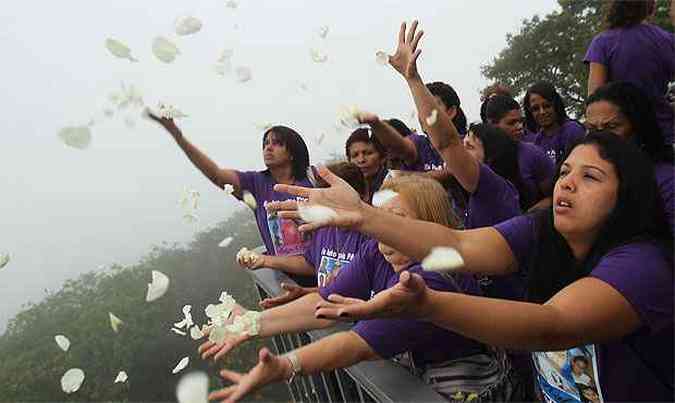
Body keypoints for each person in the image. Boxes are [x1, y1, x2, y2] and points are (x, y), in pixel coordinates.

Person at [272, 130, 672, 402]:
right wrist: (362, 217)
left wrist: (429, 306)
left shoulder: (642, 266)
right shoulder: (540, 229)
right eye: (565, 171)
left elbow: (555, 324)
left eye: (591, 177)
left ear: (627, 197)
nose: (566, 183)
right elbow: (458, 243)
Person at [207, 177, 510, 402]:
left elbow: (355, 344)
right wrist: (250, 322)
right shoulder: (376, 253)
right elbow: (326, 305)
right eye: (381, 220)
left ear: (430, 225)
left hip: (463, 387)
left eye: (398, 220)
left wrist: (287, 365)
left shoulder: (433, 277)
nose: (386, 231)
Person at [238, 161, 370, 308]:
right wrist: (265, 261)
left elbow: (360, 293)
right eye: (326, 199)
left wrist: (307, 293)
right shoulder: (324, 227)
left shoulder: (373, 237)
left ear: (363, 195)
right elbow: (311, 264)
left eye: (337, 200)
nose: (332, 206)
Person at [585, 81, 674, 234]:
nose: (600, 137)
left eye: (612, 127)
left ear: (638, 127)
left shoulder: (667, 183)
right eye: (592, 129)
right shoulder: (584, 177)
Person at [584, 0, 675, 144]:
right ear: (650, 5)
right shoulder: (668, 40)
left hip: (621, 139)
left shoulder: (602, 42)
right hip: (664, 134)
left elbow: (594, 98)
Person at [484, 94, 556, 209]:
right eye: (511, 123)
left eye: (521, 121)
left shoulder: (533, 153)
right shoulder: (481, 158)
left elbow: (556, 196)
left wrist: (530, 215)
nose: (519, 127)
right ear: (492, 124)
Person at [522, 81, 586, 164]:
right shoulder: (537, 141)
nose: (542, 112)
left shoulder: (572, 131)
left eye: (547, 106)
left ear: (555, 105)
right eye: (535, 109)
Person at [345, 128, 388, 202]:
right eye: (355, 155)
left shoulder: (395, 184)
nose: (361, 160)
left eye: (368, 153)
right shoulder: (346, 189)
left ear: (382, 157)